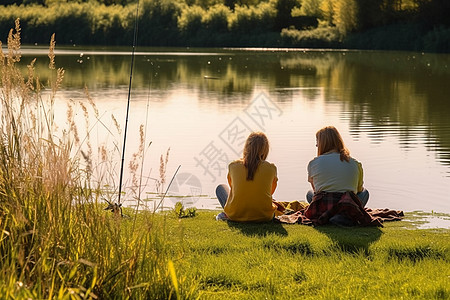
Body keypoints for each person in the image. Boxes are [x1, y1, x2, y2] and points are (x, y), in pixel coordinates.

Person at [215, 132, 278, 222]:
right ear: (265, 149)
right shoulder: (271, 168)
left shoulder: (233, 166)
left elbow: (233, 188)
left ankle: (228, 214)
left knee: (221, 188)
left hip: (235, 215)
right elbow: (270, 192)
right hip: (265, 216)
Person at [306, 126, 369, 207]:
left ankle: (327, 213)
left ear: (322, 143)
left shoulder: (313, 163)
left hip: (324, 205)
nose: (316, 145)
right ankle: (349, 213)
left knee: (309, 194)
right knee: (365, 192)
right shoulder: (355, 163)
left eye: (317, 141)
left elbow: (316, 191)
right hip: (348, 205)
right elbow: (358, 190)